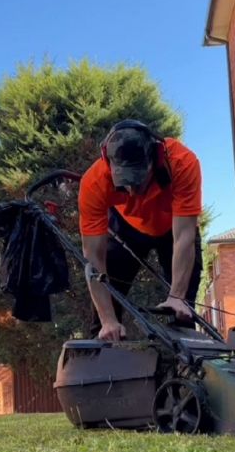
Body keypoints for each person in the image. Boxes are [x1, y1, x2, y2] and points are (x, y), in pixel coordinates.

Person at [78, 119, 204, 341]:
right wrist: (108, 320)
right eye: (125, 183)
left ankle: (185, 363)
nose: (132, 191)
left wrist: (177, 296)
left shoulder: (181, 162)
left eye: (138, 181)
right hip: (126, 227)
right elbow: (93, 256)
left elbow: (184, 235)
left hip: (172, 229)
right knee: (106, 312)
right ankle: (106, 357)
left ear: (154, 157)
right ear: (108, 162)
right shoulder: (94, 182)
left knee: (182, 309)